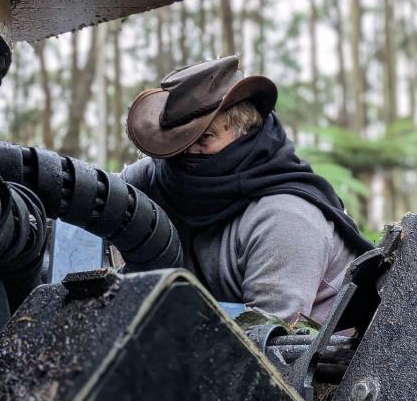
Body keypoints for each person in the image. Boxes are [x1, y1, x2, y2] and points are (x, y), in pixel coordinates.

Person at [120, 55, 373, 324]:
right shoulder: (162, 177)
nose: (187, 152)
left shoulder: (284, 219)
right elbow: (93, 196)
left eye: (204, 137)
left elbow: (269, 348)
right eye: (180, 140)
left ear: (245, 132)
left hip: (312, 360)